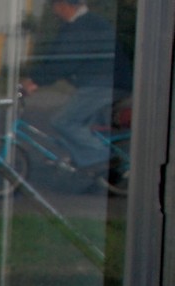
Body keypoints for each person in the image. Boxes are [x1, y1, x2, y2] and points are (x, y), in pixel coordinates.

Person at [23, 0, 129, 175]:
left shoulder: (85, 26)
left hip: (104, 85)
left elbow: (65, 62)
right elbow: (54, 57)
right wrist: (34, 78)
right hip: (101, 83)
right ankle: (86, 159)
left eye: (55, 6)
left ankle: (102, 159)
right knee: (82, 125)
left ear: (65, 5)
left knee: (64, 121)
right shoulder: (76, 25)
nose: (55, 11)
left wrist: (36, 81)